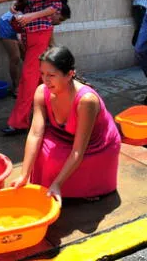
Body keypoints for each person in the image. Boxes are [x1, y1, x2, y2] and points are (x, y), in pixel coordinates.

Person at [10, 46, 121, 203]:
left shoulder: (86, 100)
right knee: (42, 153)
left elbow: (78, 151)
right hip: (63, 136)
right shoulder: (41, 92)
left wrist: (57, 184)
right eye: (42, 74)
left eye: (51, 75)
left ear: (69, 74)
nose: (45, 80)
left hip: (95, 145)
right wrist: (24, 175)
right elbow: (35, 134)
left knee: (56, 162)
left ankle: (86, 189)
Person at [0, 0, 63, 135]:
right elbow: (28, 5)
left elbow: (55, 6)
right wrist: (16, 7)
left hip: (39, 34)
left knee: (28, 79)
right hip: (30, 34)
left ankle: (19, 122)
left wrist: (29, 16)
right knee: (39, 80)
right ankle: (52, 117)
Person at [0, 0, 72, 97]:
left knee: (28, 60)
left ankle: (27, 87)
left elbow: (51, 42)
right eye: (60, 19)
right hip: (8, 24)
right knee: (15, 57)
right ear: (56, 12)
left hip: (22, 27)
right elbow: (20, 24)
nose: (60, 23)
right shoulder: (41, 16)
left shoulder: (47, 21)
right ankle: (16, 87)